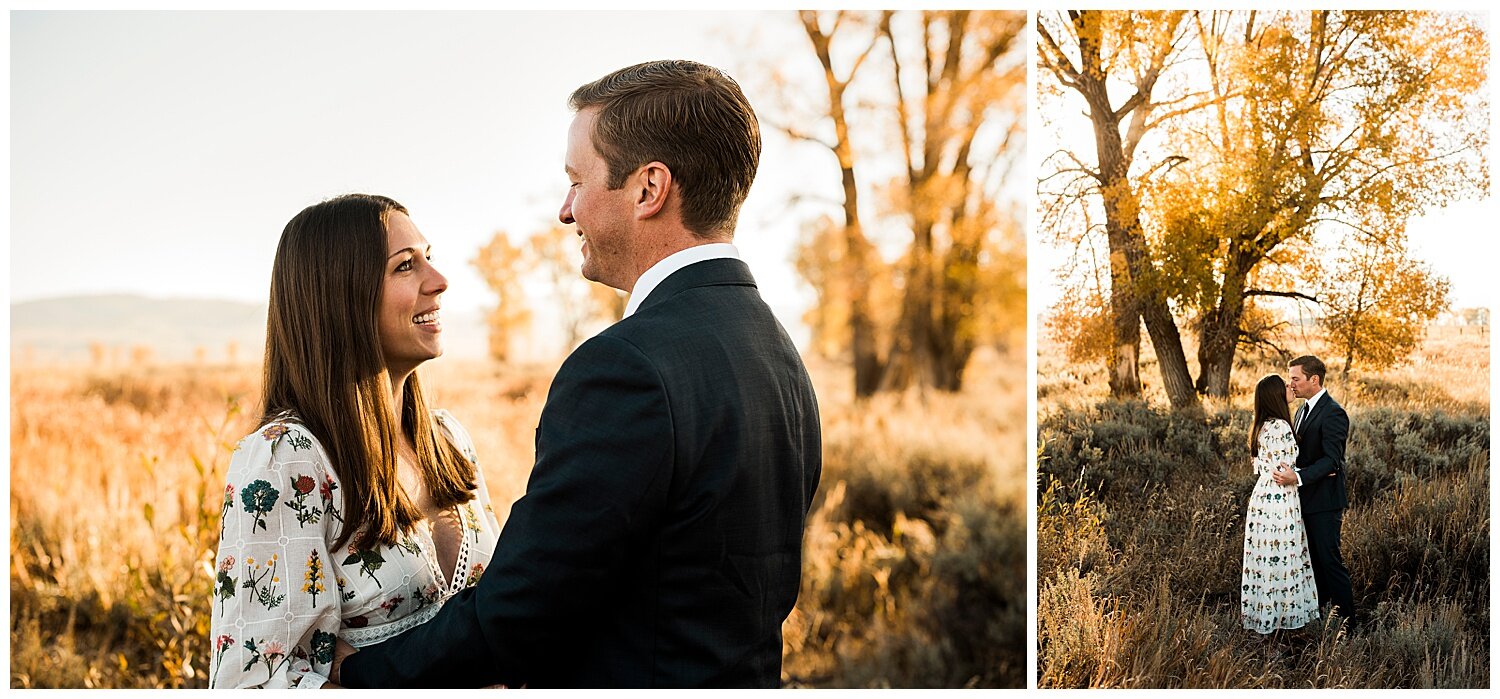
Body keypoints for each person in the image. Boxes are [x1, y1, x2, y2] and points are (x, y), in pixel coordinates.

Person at [333, 59, 822, 688]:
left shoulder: (627, 368)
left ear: (649, 189)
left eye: (577, 180)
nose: (566, 211)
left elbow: (525, 610)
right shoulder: (777, 351)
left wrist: (362, 678)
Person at [209, 194, 501, 688]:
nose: (440, 280)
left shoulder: (448, 439)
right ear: (341, 297)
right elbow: (255, 682)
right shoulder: (288, 460)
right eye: (406, 266)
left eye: (429, 257)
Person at [1271, 354, 1355, 626]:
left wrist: (1297, 476)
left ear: (1313, 379)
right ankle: (1321, 617)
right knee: (1312, 563)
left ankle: (1348, 624)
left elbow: (1332, 461)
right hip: (1303, 500)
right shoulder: (1301, 411)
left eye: (1295, 378)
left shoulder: (1333, 412)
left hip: (1325, 502)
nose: (1291, 384)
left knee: (1329, 562)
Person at [1241, 374, 1319, 634]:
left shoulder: (1261, 426)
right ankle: (1281, 624)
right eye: (1285, 385)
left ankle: (1264, 619)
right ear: (1276, 395)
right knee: (1282, 559)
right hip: (1279, 499)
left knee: (1265, 560)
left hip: (1262, 497)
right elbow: (1286, 470)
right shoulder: (1281, 427)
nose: (1291, 386)